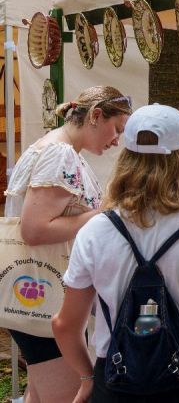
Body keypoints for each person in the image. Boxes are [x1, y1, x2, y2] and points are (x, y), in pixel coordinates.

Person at [52, 104, 179, 403]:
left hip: (117, 379)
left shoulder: (94, 232)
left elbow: (64, 325)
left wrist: (88, 377)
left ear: (125, 161)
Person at [5, 86, 132, 403]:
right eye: (117, 129)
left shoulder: (54, 148)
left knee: (41, 393)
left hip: (38, 288)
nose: (117, 140)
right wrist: (104, 214)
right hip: (46, 292)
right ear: (96, 116)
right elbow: (34, 230)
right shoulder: (59, 154)